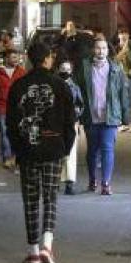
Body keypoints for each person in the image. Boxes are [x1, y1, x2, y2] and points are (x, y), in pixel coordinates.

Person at [7, 43, 77, 263]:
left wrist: (17, 149)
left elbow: (10, 124)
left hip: (28, 150)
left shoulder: (19, 86)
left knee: (30, 199)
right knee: (50, 196)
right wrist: (65, 148)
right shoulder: (60, 85)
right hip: (54, 149)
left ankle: (33, 251)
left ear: (29, 59)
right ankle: (48, 243)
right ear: (47, 59)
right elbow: (70, 122)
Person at [78, 38, 131, 195]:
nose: (100, 51)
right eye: (98, 48)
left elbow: (124, 92)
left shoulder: (116, 68)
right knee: (92, 151)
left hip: (110, 116)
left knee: (108, 149)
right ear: (93, 50)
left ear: (108, 51)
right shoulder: (85, 67)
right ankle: (92, 179)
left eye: (103, 48)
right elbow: (77, 88)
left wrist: (125, 116)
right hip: (91, 116)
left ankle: (106, 183)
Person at [0, 48, 27, 170]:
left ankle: (15, 156)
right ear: (6, 59)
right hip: (2, 107)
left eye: (17, 57)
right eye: (13, 57)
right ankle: (7, 157)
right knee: (4, 132)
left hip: (18, 107)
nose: (16, 60)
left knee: (17, 131)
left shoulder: (22, 72)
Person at [55, 59, 85, 195]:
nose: (65, 71)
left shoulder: (75, 87)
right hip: (56, 123)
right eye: (63, 68)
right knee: (57, 152)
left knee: (71, 153)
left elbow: (80, 105)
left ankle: (69, 182)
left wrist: (75, 114)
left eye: (68, 69)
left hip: (71, 123)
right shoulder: (54, 85)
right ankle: (55, 180)